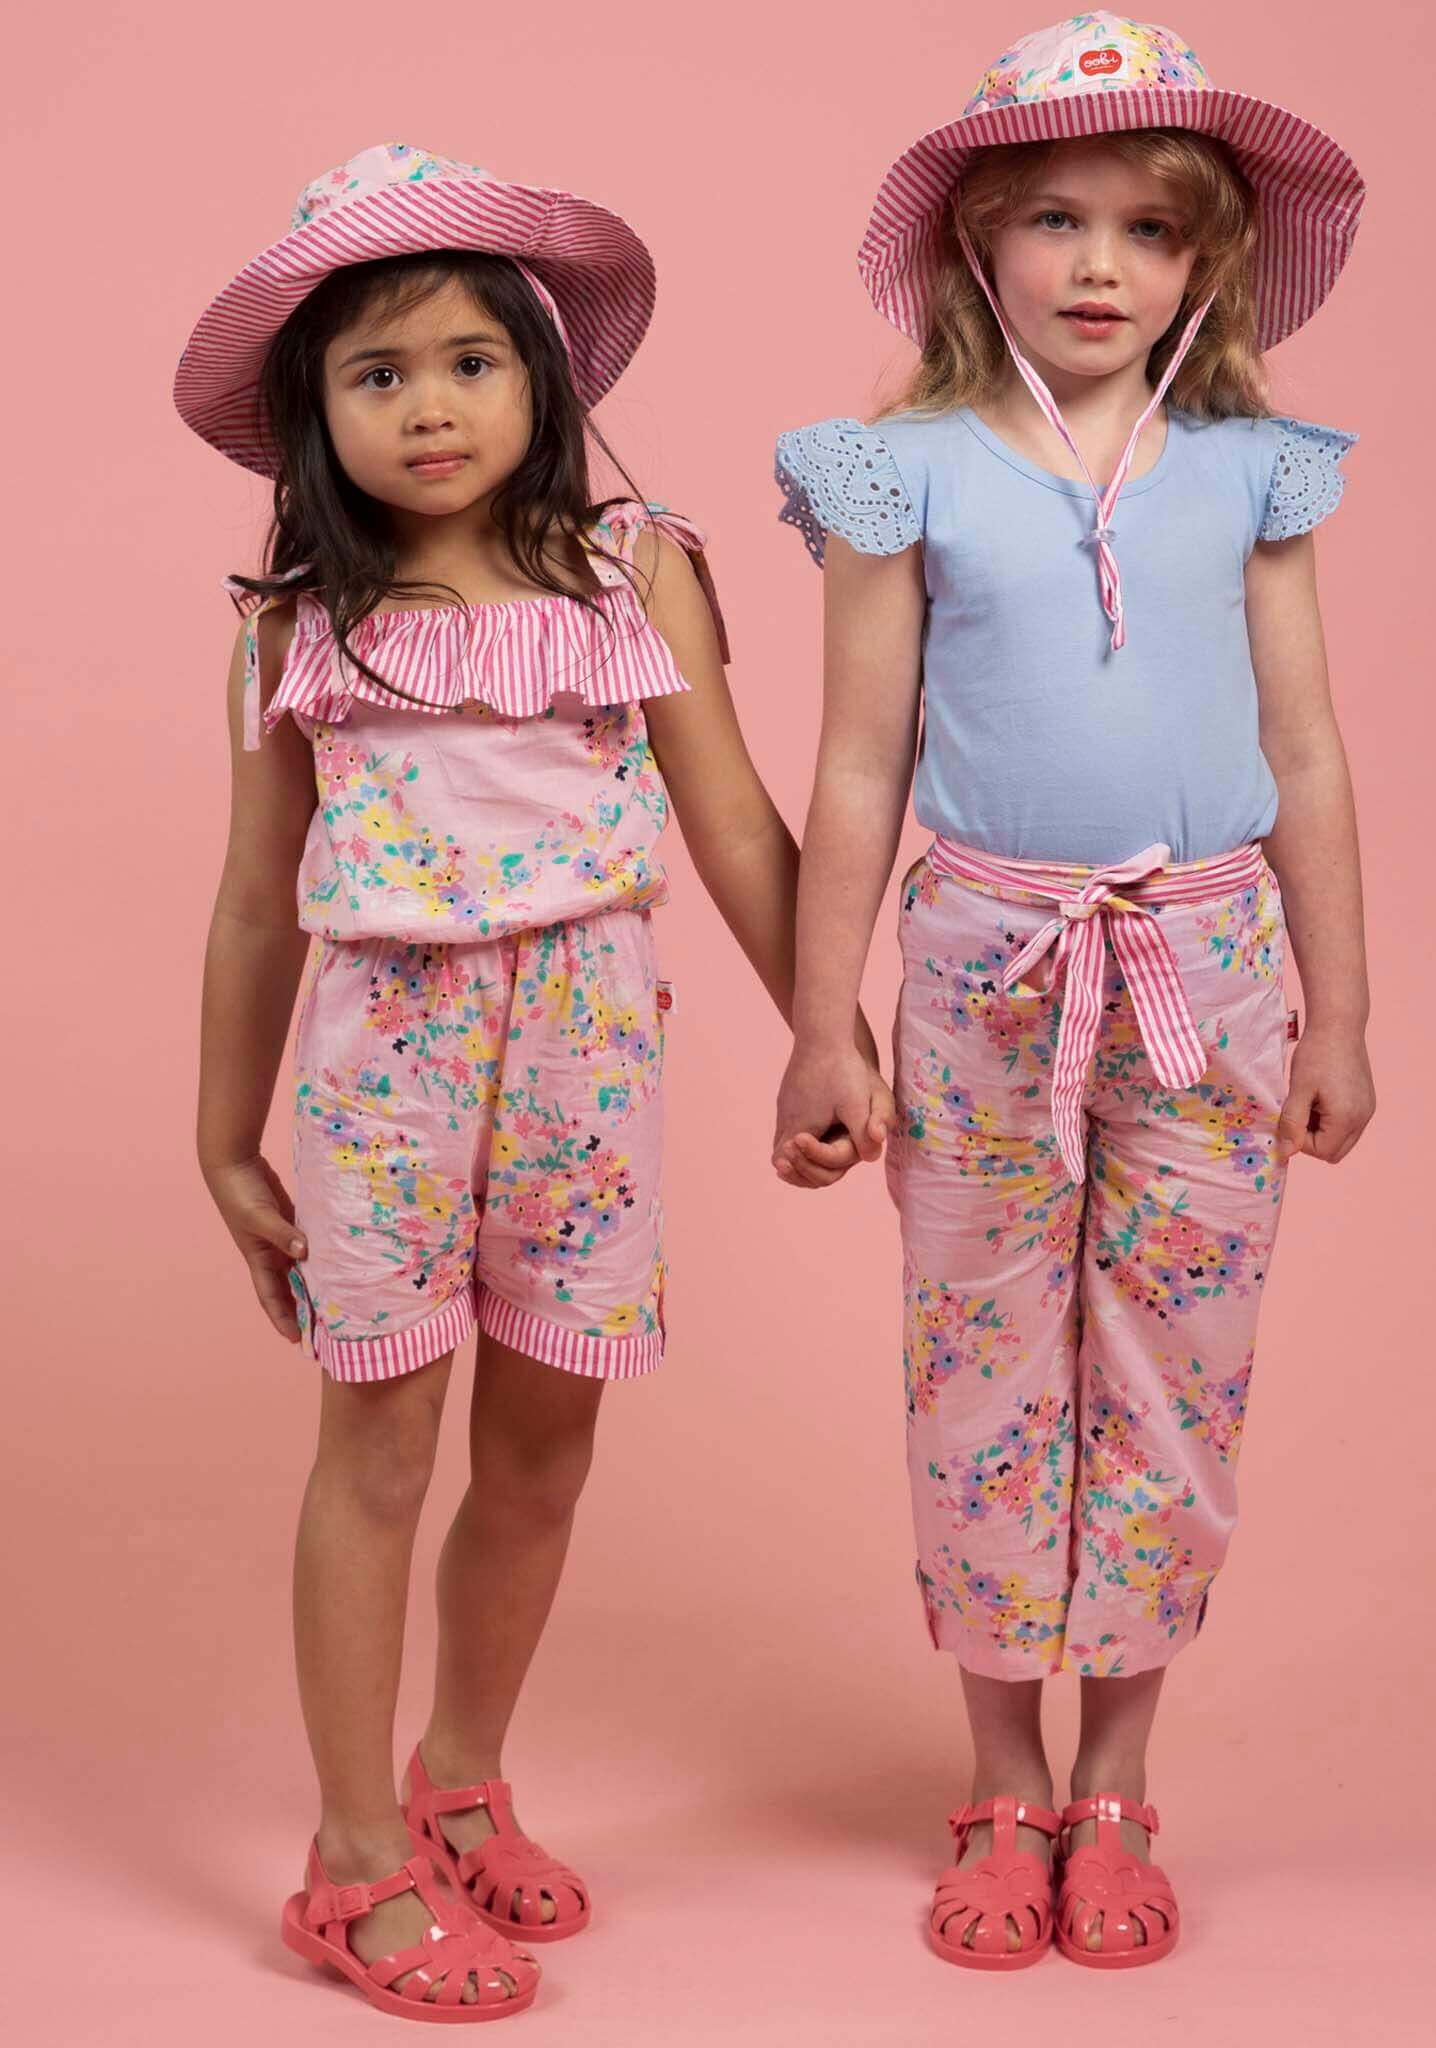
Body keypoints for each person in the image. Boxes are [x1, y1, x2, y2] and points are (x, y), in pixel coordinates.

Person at [181, 142, 880, 2022]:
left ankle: (463, 1772)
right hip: (380, 1069)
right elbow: (257, 902)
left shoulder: (634, 571)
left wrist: (832, 1026)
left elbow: (732, 819)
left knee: (550, 1438)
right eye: (377, 372)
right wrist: (218, 1139)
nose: (428, 405)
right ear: (314, 415)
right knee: (383, 1441)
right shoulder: (296, 623)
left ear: (548, 376)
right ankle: (349, 1861)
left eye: (470, 362)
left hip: (584, 1046)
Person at [771, 14, 1375, 1970]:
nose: (1099, 264)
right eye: (1053, 217)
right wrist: (820, 1018)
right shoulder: (903, 473)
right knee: (985, 1364)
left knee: (1172, 1371)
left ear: (1208, 265)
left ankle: (1117, 1779)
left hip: (1213, 967)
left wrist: (1345, 1009)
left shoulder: (1249, 470)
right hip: (984, 972)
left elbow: (1310, 740)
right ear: (974, 245)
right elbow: (855, 763)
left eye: (1146, 228)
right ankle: (999, 1776)